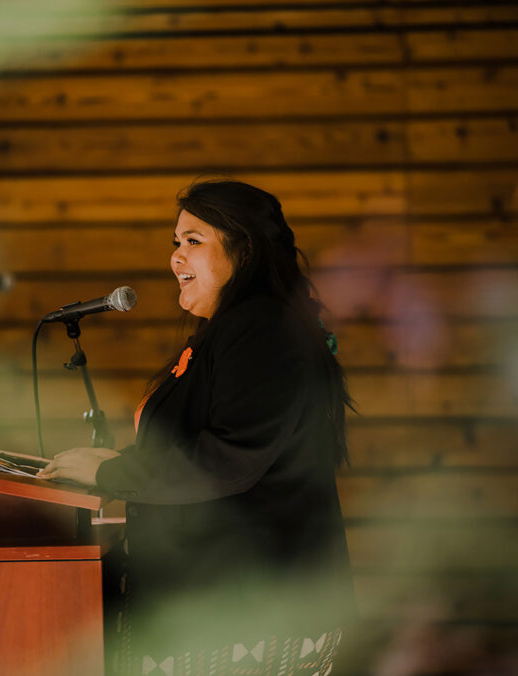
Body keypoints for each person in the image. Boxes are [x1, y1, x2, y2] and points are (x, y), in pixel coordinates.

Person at [37, 179, 357, 676]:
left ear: (244, 251)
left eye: (193, 241)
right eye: (175, 243)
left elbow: (228, 458)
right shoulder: (231, 329)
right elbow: (204, 445)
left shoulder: (262, 327)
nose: (176, 257)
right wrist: (116, 462)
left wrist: (112, 476)